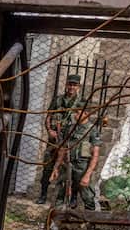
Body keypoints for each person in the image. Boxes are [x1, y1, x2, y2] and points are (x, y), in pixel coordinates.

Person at [38, 73, 83, 204]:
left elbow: (84, 121)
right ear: (66, 85)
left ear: (78, 87)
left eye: (74, 85)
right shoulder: (57, 100)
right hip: (55, 140)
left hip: (70, 141)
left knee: (73, 170)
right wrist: (49, 130)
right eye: (70, 84)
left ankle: (72, 198)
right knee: (47, 166)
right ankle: (43, 195)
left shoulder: (81, 102)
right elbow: (48, 117)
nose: (71, 87)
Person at [51, 107, 101, 210]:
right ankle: (58, 216)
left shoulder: (92, 129)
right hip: (67, 164)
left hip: (82, 166)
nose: (75, 115)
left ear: (86, 114)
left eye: (78, 113)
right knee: (61, 191)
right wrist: (56, 167)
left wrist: (87, 175)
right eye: (75, 113)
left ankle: (90, 216)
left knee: (87, 194)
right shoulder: (70, 128)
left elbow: (95, 154)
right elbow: (63, 149)